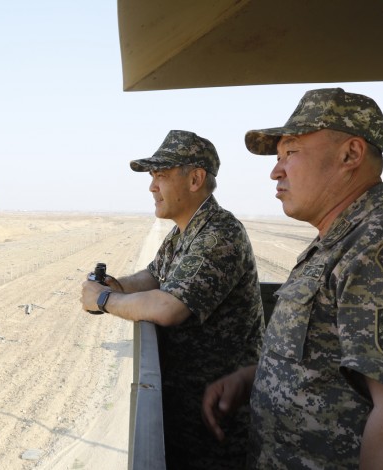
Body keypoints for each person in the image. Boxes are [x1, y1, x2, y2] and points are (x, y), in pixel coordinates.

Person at [202, 88, 383, 469]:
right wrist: (252, 379)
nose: (275, 171)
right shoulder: (339, 241)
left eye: (291, 152)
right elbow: (327, 361)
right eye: (278, 157)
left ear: (351, 154)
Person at [80, 130, 265, 469]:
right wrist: (115, 285)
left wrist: (104, 299)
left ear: (195, 179)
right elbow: (152, 276)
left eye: (161, 176)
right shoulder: (185, 232)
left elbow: (169, 307)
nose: (152, 187)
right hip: (192, 405)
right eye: (152, 177)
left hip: (219, 414)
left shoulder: (219, 234)